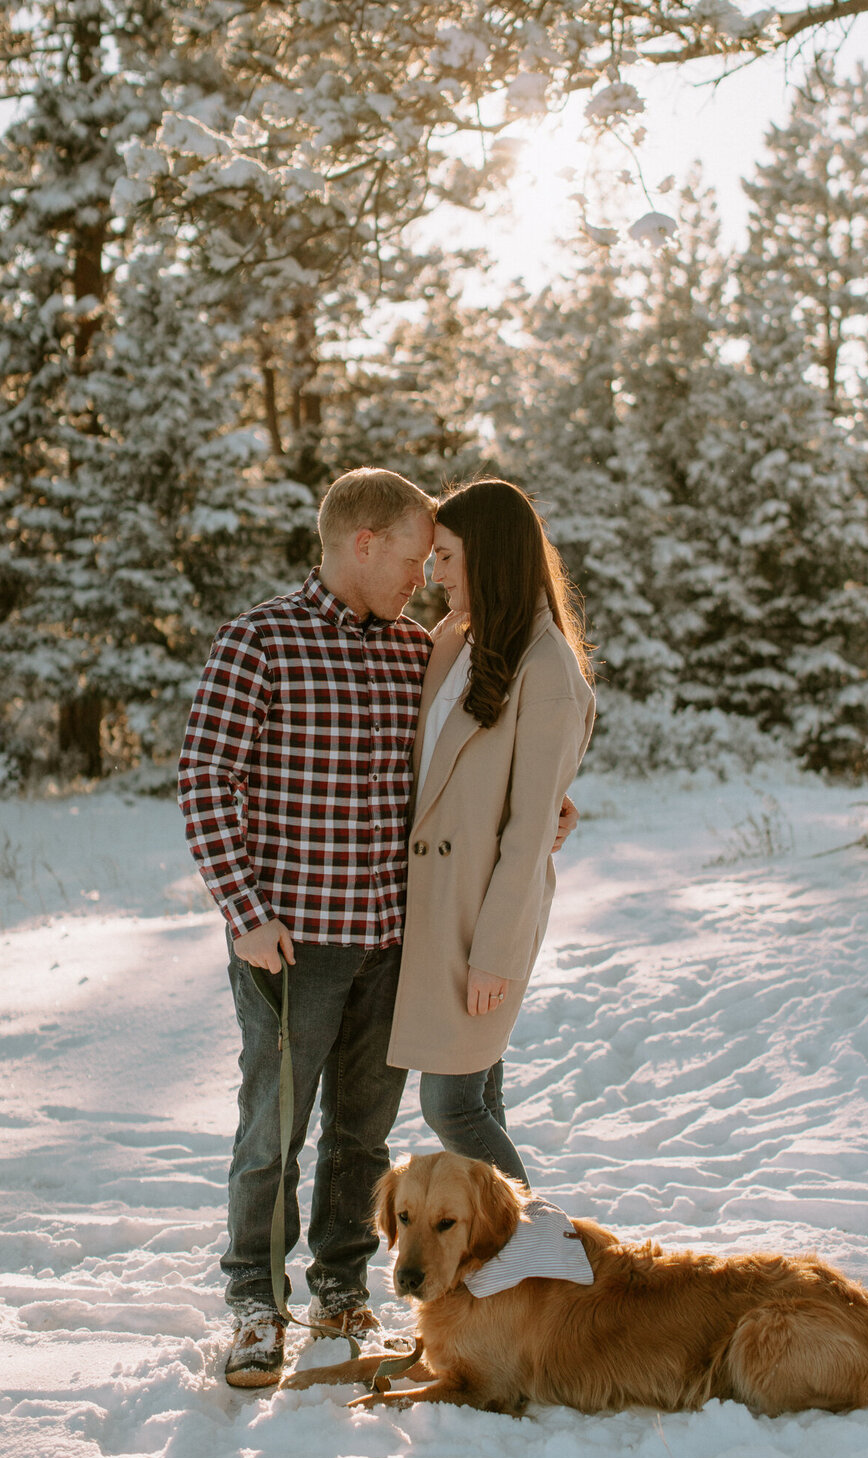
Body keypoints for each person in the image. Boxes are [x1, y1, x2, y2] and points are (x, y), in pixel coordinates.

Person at [178, 468, 577, 1388]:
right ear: (365, 544)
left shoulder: (418, 651)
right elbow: (206, 781)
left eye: (437, 560)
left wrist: (553, 809)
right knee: (272, 1133)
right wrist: (244, 913)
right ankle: (252, 1301)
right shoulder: (260, 642)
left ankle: (341, 1286)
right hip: (290, 942)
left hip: (399, 942)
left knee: (363, 1138)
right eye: (412, 555)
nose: (423, 575)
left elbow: (471, 767)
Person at [386, 478, 596, 1187]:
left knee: (451, 1106)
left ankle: (536, 1250)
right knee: (477, 1098)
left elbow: (532, 829)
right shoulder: (454, 639)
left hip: (481, 919)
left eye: (445, 557)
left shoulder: (549, 670)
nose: (432, 574)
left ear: (492, 557)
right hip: (431, 907)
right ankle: (507, 1282)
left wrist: (495, 955)